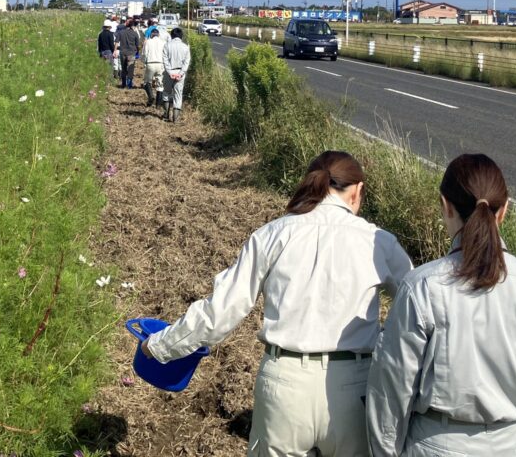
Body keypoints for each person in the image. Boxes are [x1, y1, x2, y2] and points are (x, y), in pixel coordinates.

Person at [142, 152, 413, 457]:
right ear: (357, 191)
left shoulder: (273, 234)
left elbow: (220, 312)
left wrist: (160, 345)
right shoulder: (378, 241)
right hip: (355, 385)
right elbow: (419, 306)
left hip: (285, 384)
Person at [366, 154, 516, 457]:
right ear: (505, 210)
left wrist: (384, 452)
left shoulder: (423, 286)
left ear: (445, 205)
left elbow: (393, 385)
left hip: (438, 443)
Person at [161, 27, 190, 122]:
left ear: (172, 35)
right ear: (181, 36)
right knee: (178, 94)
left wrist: (170, 72)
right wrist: (181, 74)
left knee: (166, 92)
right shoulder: (185, 47)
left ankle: (166, 115)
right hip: (180, 72)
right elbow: (186, 62)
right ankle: (175, 118)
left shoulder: (167, 45)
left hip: (169, 72)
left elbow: (165, 60)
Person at [142, 26, 166, 108]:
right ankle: (158, 104)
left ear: (151, 35)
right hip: (160, 64)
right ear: (158, 35)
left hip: (150, 63)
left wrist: (144, 62)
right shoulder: (163, 42)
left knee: (147, 82)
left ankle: (151, 96)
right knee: (160, 84)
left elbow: (145, 54)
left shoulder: (148, 42)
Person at [117, 18, 142, 89]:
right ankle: (129, 84)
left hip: (123, 52)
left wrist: (116, 50)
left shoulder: (121, 32)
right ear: (132, 26)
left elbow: (117, 41)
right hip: (131, 53)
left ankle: (123, 84)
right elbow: (138, 45)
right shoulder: (135, 34)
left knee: (123, 68)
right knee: (130, 68)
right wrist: (137, 53)